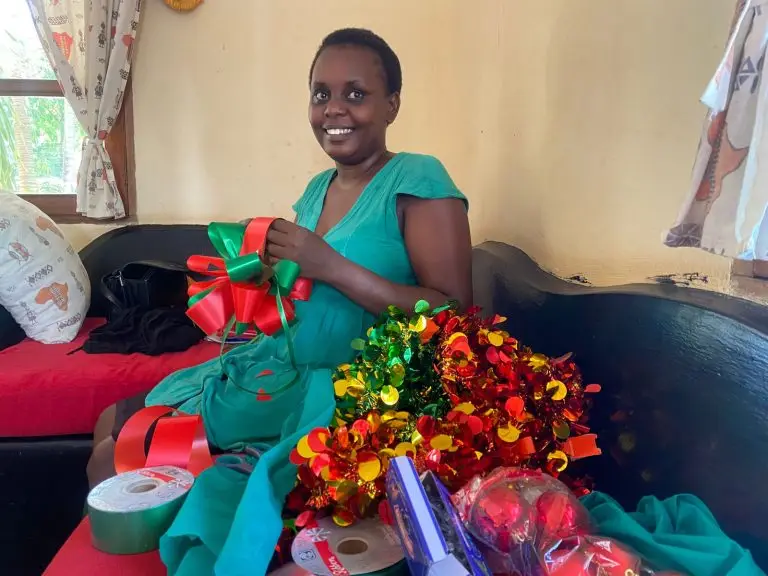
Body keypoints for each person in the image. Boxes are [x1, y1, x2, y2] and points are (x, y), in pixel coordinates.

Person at [86, 28, 472, 575]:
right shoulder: (316, 189)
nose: (334, 108)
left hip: (346, 387)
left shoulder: (418, 178)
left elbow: (456, 313)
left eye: (356, 93)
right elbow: (301, 291)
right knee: (112, 424)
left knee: (119, 454)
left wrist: (330, 266)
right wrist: (262, 276)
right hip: (278, 366)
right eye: (321, 94)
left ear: (392, 105)